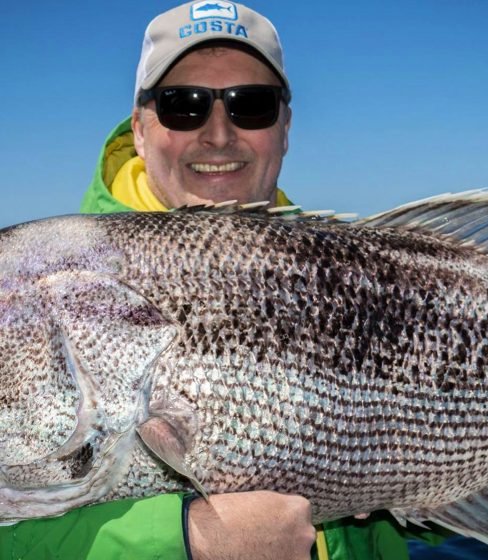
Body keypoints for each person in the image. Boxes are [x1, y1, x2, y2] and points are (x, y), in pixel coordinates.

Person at [0, 2, 451, 559]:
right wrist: (183, 541)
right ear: (140, 130)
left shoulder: (370, 273)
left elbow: (446, 520)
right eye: (182, 105)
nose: (218, 134)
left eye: (251, 105)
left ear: (284, 128)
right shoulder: (45, 272)